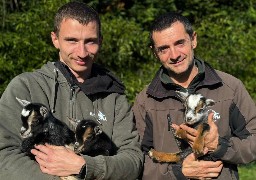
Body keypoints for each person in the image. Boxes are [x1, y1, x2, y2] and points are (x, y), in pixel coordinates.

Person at [0, 1, 143, 180]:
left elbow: (133, 161)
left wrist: (84, 166)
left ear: (100, 41)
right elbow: (4, 157)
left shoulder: (113, 97)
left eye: (90, 41)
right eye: (72, 40)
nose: (82, 52)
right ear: (55, 39)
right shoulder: (25, 88)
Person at [132, 11, 256, 180]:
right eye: (164, 49)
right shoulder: (145, 101)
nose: (174, 55)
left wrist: (218, 146)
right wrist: (177, 172)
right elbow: (136, 161)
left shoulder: (230, 87)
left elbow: (253, 142)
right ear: (154, 53)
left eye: (180, 43)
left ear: (193, 40)